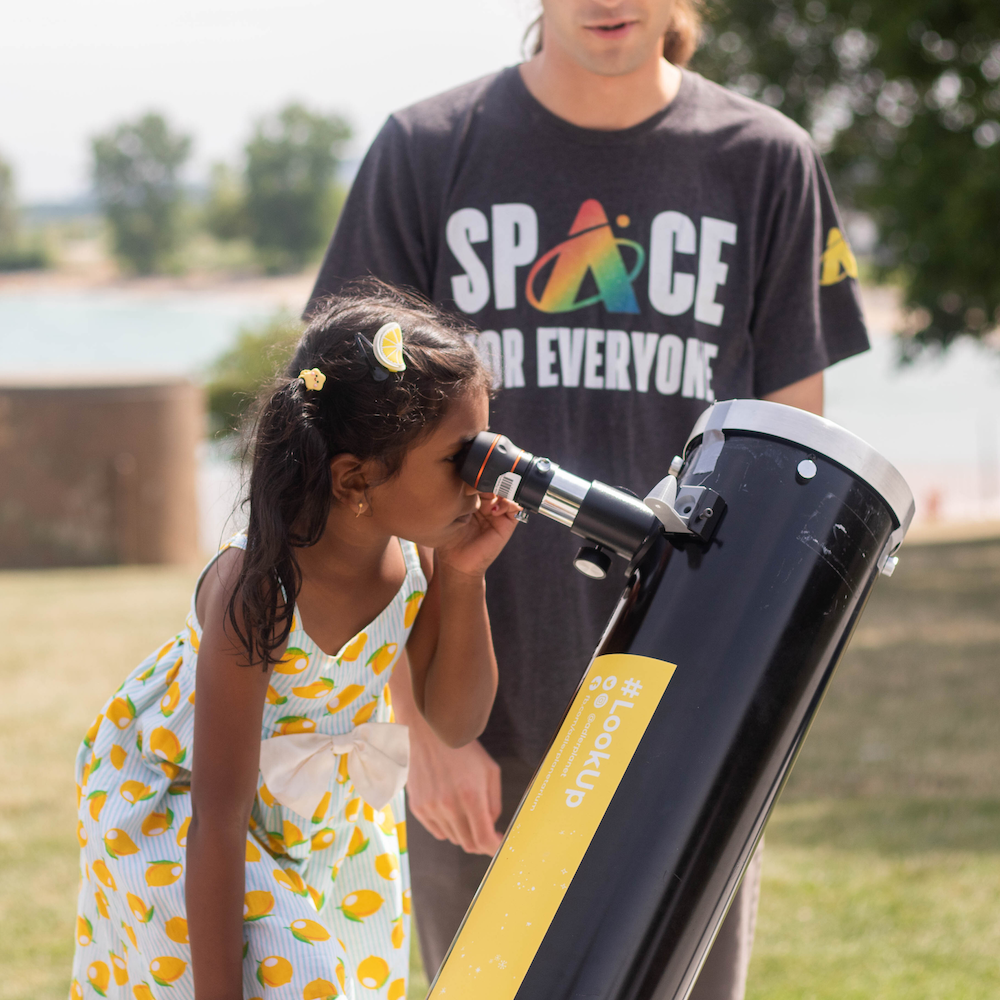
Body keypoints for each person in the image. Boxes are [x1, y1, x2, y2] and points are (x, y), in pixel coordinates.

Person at [307, 1, 870, 995]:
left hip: (687, 724)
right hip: (478, 717)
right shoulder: (426, 151)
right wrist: (423, 725)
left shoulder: (764, 159)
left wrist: (739, 722)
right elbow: (343, 468)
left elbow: (798, 494)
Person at [69, 285, 520, 1000]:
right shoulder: (257, 590)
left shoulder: (423, 557)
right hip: (193, 818)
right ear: (355, 479)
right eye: (458, 458)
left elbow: (455, 721)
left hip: (326, 827)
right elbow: (218, 815)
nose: (480, 476)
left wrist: (465, 578)